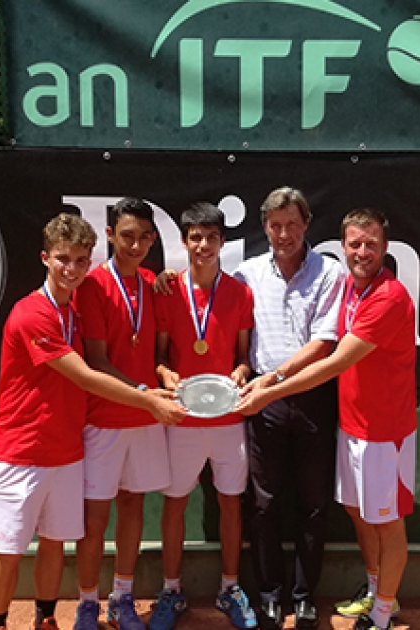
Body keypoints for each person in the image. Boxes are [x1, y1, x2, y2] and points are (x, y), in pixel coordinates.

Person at [0, 213, 186, 630]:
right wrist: (150, 400)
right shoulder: (32, 314)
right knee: (8, 552)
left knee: (55, 544)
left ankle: (47, 619)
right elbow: (86, 375)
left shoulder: (76, 308)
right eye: (63, 259)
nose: (72, 269)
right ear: (45, 258)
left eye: (79, 260)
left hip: (67, 451)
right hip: (21, 452)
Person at [235, 208, 417, 630]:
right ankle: (375, 589)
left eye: (371, 243)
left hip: (384, 433)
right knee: (358, 514)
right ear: (343, 245)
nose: (362, 251)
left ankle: (384, 613)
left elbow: (336, 363)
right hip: (352, 426)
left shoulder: (387, 298)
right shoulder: (354, 290)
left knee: (387, 525)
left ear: (385, 247)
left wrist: (269, 390)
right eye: (355, 243)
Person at [233, 187, 346, 630]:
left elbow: (324, 344)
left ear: (307, 223)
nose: (284, 234)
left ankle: (304, 597)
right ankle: (269, 595)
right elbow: (204, 291)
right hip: (264, 406)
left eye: (292, 224)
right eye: (275, 225)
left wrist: (272, 381)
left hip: (312, 398)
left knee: (315, 505)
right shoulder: (246, 274)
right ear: (265, 227)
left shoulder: (330, 272)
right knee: (264, 504)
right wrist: (165, 278)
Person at [150, 202, 258, 630]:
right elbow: (159, 356)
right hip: (182, 417)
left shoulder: (240, 293)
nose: (203, 245)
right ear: (184, 241)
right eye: (195, 236)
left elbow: (245, 358)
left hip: (228, 419)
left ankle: (229, 587)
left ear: (222, 242)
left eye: (211, 237)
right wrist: (165, 373)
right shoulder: (167, 290)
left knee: (231, 504)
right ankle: (172, 590)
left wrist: (240, 372)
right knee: (174, 504)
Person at [70, 198, 167, 630]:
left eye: (145, 237)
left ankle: (122, 598)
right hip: (105, 420)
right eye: (127, 235)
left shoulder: (152, 283)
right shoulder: (91, 285)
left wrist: (156, 388)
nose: (136, 244)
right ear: (109, 235)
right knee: (94, 518)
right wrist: (146, 394)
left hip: (144, 421)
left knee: (133, 508)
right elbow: (96, 360)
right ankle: (87, 603)